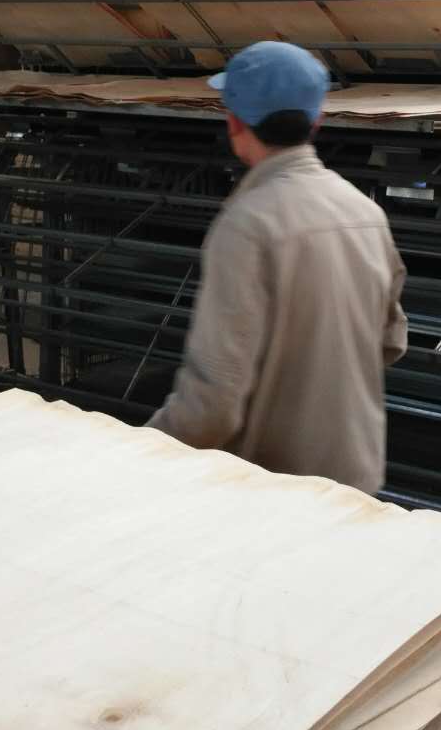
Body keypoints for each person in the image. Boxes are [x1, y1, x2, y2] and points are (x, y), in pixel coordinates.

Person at [146, 41, 408, 494]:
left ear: (233, 123)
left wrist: (141, 452)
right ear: (316, 120)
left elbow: (213, 406)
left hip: (274, 490)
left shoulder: (246, 225)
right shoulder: (366, 213)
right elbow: (391, 341)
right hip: (355, 483)